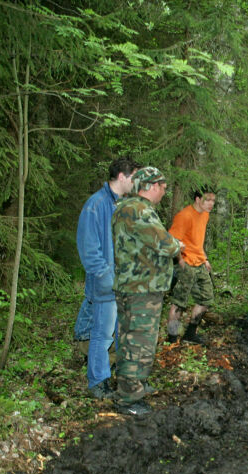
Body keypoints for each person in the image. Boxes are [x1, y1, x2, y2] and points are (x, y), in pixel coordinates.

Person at [112, 167, 184, 416]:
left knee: (129, 338)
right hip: (141, 289)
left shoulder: (125, 207)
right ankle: (129, 398)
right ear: (152, 186)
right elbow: (164, 243)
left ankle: (134, 385)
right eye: (163, 187)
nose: (164, 192)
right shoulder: (138, 210)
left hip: (132, 286)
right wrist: (178, 245)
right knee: (139, 342)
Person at [76, 156, 139, 399]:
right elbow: (88, 248)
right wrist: (104, 275)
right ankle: (98, 384)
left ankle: (113, 378)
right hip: (105, 286)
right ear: (122, 176)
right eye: (134, 177)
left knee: (118, 335)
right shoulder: (96, 204)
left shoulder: (121, 205)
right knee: (101, 337)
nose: (136, 182)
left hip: (122, 284)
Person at [165, 188, 217, 344]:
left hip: (199, 262)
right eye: (207, 200)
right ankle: (172, 339)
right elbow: (172, 242)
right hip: (186, 263)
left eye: (213, 201)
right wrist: (180, 260)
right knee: (179, 303)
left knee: (206, 299)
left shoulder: (205, 215)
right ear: (197, 199)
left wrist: (205, 259)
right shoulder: (184, 216)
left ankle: (190, 334)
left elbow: (197, 241)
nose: (211, 204)